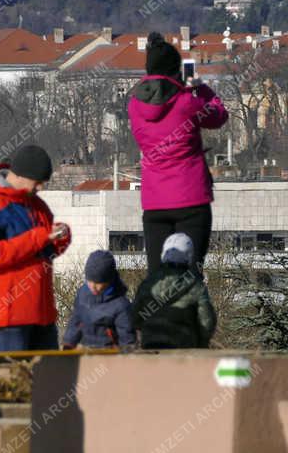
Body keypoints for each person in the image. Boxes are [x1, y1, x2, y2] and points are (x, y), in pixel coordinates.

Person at [128, 31, 228, 273]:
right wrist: (200, 88)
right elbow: (219, 116)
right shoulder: (186, 102)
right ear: (176, 71)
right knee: (190, 276)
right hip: (191, 199)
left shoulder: (134, 106)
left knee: (157, 279)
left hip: (154, 202)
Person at [0, 144, 71, 352]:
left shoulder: (37, 206)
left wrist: (59, 238)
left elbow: (44, 252)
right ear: (21, 176)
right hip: (10, 316)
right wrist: (39, 237)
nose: (40, 188)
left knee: (50, 378)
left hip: (42, 312)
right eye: (38, 182)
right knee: (17, 380)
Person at [132, 233, 216, 349]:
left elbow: (134, 317)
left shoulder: (148, 283)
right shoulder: (196, 286)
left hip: (151, 348)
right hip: (183, 350)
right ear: (189, 255)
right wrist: (201, 343)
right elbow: (207, 322)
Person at [62, 250, 135, 350]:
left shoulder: (120, 305)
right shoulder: (83, 294)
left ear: (109, 281)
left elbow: (126, 337)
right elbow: (76, 320)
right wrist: (69, 343)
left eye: (98, 283)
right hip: (86, 349)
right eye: (90, 281)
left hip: (109, 354)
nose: (93, 286)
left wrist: (126, 355)